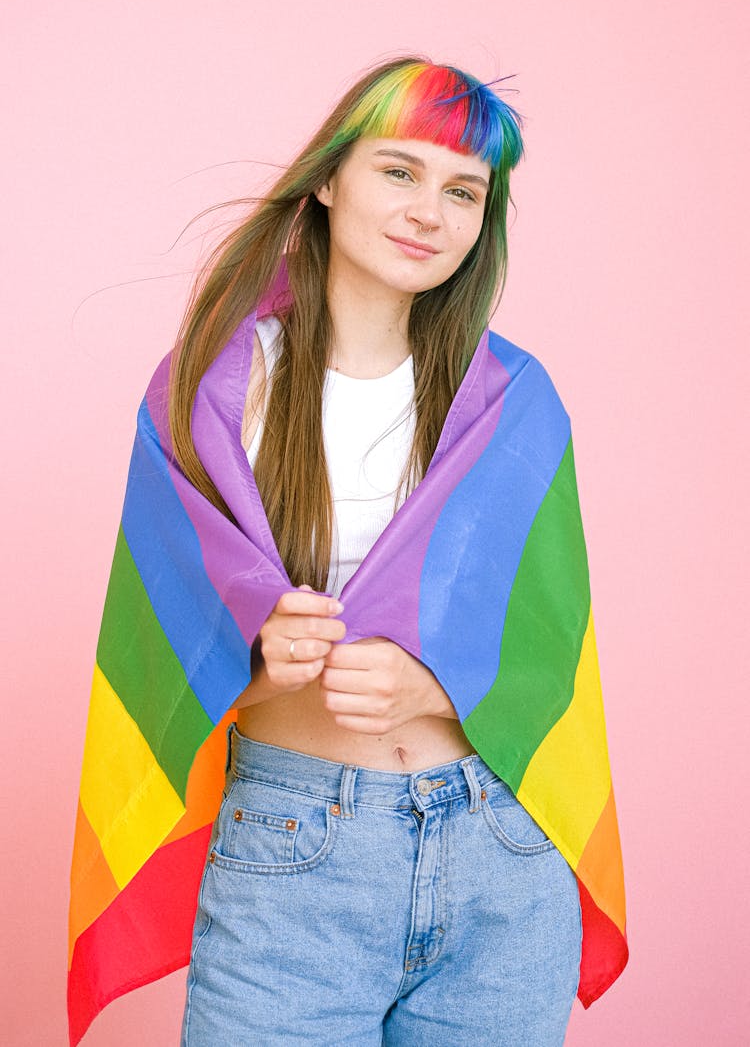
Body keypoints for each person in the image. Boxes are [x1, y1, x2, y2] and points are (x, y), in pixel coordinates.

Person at [67, 57, 627, 1047]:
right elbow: (155, 622)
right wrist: (252, 643)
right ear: (328, 180)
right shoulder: (211, 390)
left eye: (463, 191)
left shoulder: (513, 403)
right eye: (399, 172)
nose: (429, 212)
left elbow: (549, 650)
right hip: (295, 848)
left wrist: (431, 692)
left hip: (499, 848)